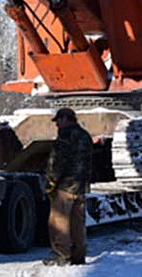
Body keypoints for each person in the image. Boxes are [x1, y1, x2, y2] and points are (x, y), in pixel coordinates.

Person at [44, 107, 92, 266]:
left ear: (66, 119)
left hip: (65, 186)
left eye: (58, 120)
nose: (57, 124)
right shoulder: (85, 136)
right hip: (80, 186)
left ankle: (62, 254)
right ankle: (79, 255)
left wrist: (51, 181)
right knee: (78, 223)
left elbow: (57, 162)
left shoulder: (65, 137)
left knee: (59, 222)